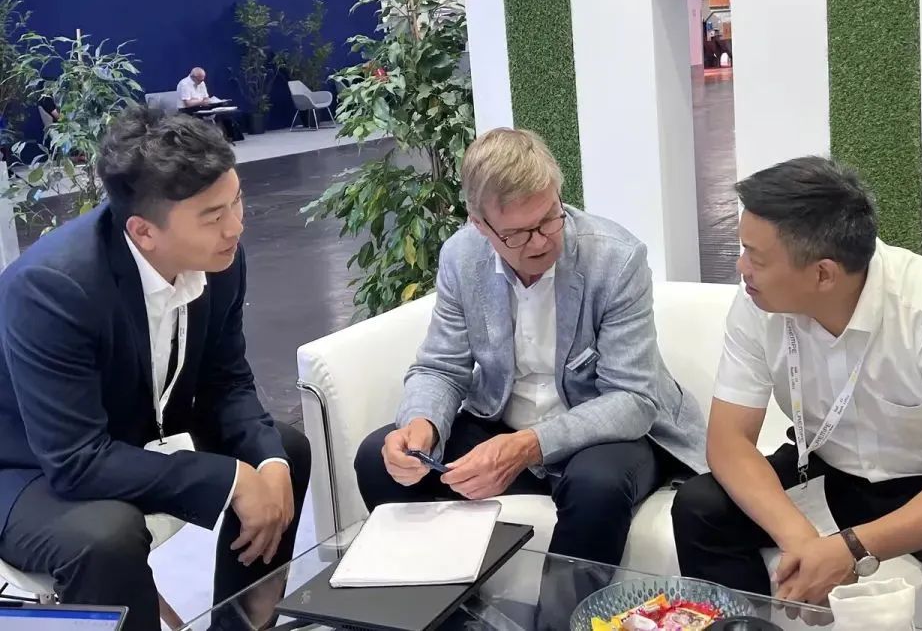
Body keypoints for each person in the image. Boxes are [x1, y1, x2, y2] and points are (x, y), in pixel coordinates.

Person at [671, 156, 922, 630]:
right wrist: (804, 543)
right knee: (700, 507)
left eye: (755, 258)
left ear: (823, 274)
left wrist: (849, 549)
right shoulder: (756, 304)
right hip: (830, 467)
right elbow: (728, 443)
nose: (742, 268)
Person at [0, 107, 310, 631]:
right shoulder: (53, 288)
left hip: (130, 436)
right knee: (107, 536)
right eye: (212, 216)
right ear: (144, 232)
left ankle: (242, 626)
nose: (235, 227)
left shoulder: (219, 259)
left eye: (236, 201)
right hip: (29, 466)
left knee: (283, 450)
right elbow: (75, 461)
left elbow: (227, 382)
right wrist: (231, 479)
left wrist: (268, 464)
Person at [354, 128, 706, 567]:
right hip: (501, 421)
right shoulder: (462, 257)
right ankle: (448, 600)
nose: (540, 241)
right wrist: (423, 424)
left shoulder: (615, 259)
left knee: (596, 486)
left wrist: (526, 446)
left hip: (602, 430)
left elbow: (631, 399)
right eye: (518, 234)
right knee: (378, 460)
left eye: (548, 219)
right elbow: (441, 367)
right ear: (480, 226)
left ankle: (567, 607)